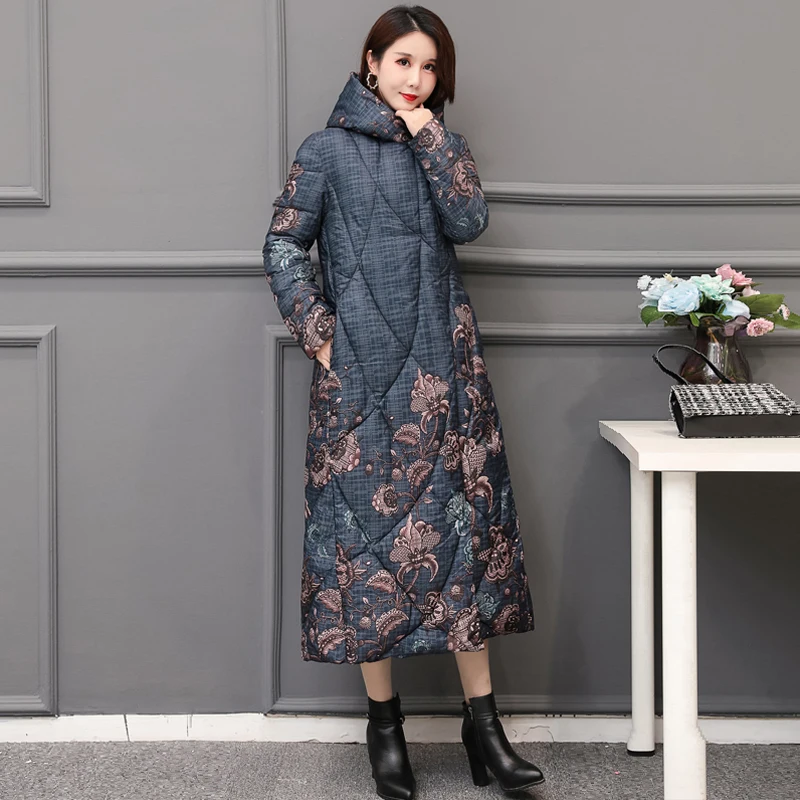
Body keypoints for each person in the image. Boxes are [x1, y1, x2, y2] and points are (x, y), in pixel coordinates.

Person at [262, 5, 543, 798]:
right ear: (372, 62)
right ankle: (384, 729)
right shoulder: (324, 151)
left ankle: (484, 726)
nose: (417, 79)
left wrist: (431, 140)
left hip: (446, 379)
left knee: (464, 551)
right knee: (365, 555)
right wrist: (319, 332)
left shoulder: (442, 146)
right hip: (358, 387)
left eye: (430, 67)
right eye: (403, 63)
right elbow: (283, 242)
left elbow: (470, 221)